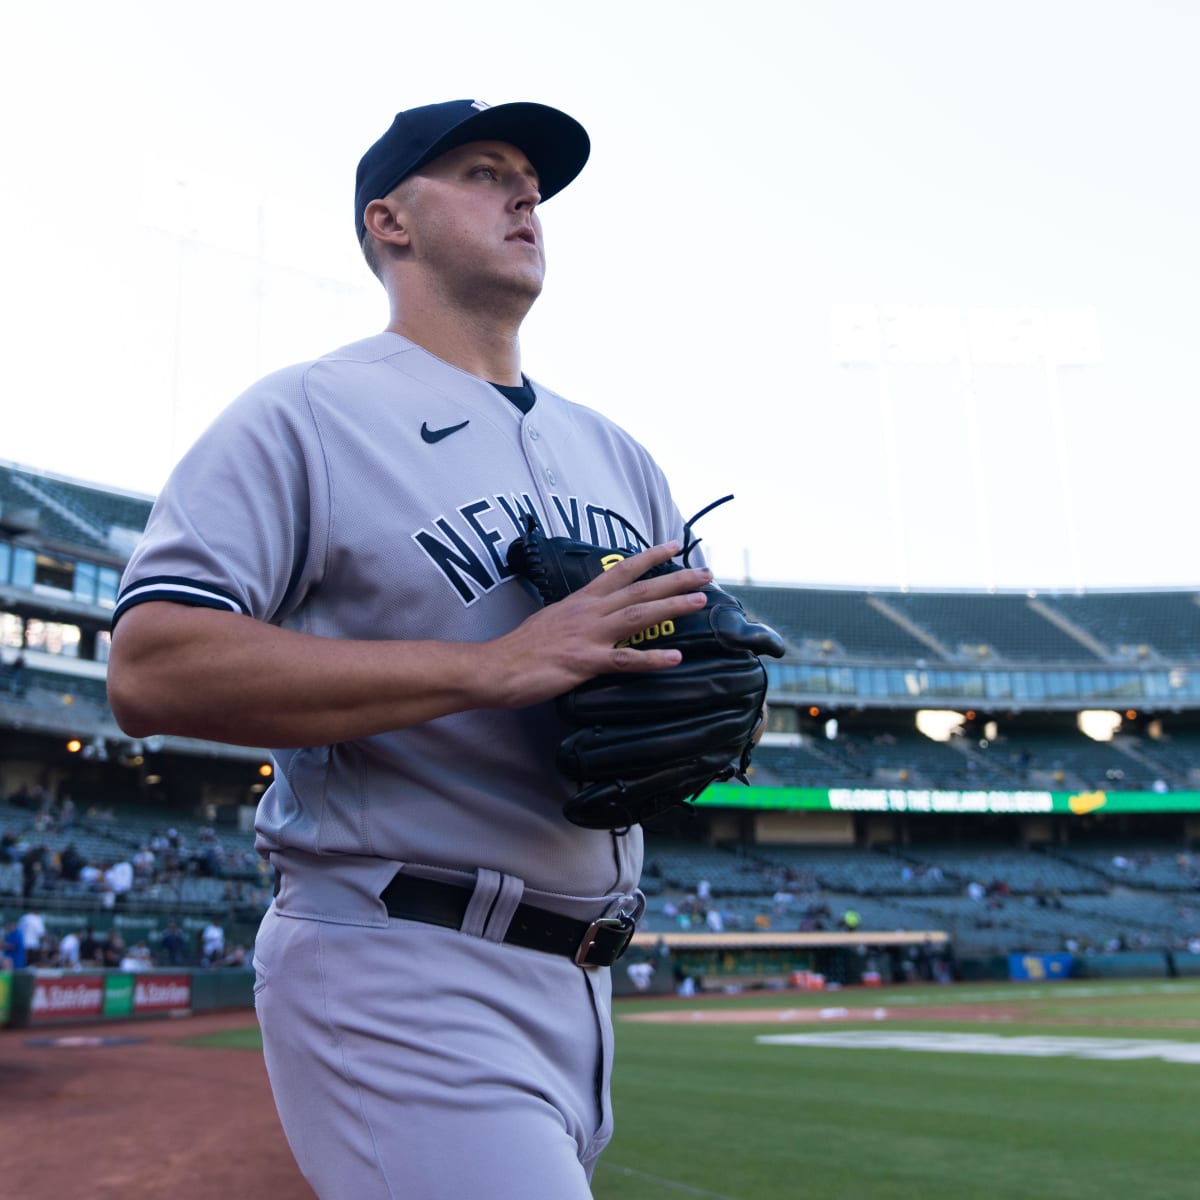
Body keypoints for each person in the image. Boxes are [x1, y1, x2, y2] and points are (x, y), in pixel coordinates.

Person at [106, 97, 720, 1200]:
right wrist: (494, 666)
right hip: (397, 958)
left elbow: (662, 668)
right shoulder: (305, 414)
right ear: (389, 221)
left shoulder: (619, 457)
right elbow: (152, 665)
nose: (524, 194)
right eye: (485, 172)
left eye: (530, 180)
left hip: (582, 980)